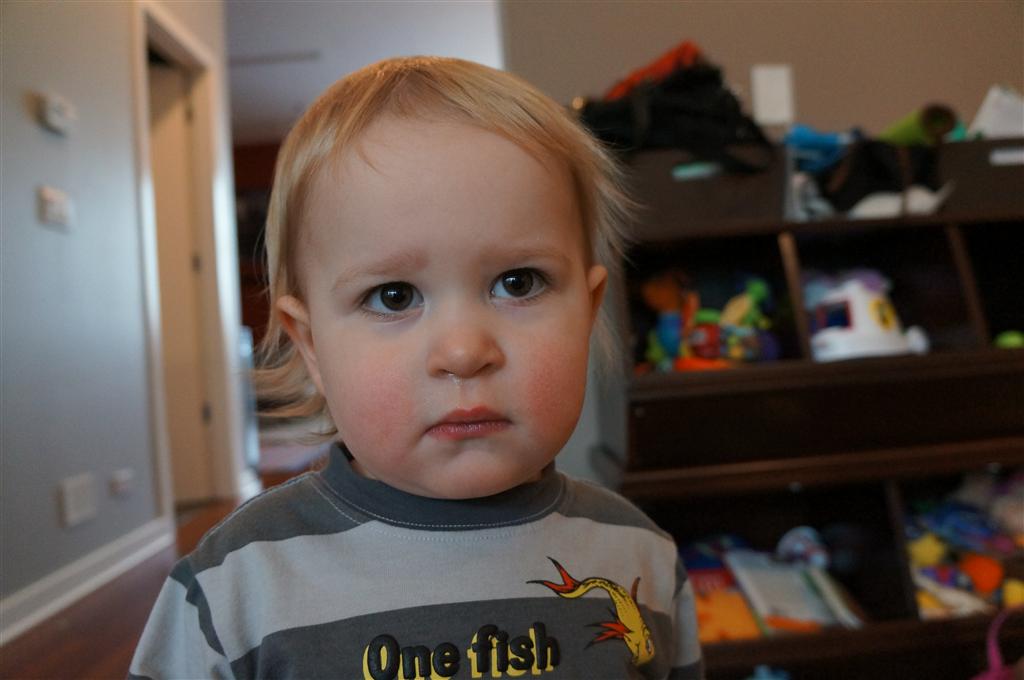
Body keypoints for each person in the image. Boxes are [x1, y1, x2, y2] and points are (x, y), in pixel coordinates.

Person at [129, 56, 703, 680]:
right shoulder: (234, 590)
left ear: (587, 312)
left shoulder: (640, 560)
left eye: (518, 282)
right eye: (394, 296)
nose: (463, 351)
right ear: (312, 345)